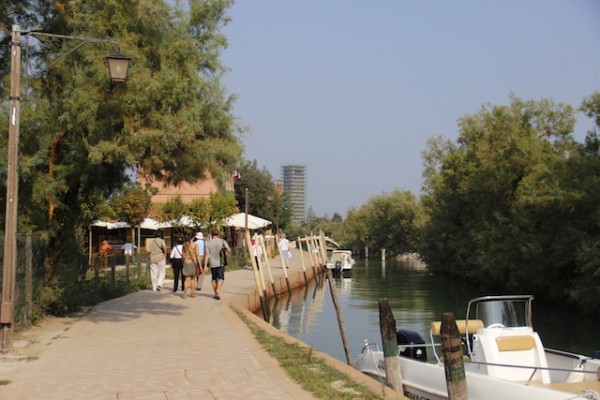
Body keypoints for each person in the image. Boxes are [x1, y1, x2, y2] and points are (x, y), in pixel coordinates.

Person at [205, 229, 230, 300]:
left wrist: (205, 266)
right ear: (218, 234)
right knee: (221, 278)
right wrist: (226, 254)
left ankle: (216, 294)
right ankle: (218, 290)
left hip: (212, 263)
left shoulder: (208, 243)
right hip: (220, 262)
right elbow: (229, 250)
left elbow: (207, 255)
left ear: (211, 235)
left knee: (213, 278)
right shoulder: (222, 241)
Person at [181, 232, 201, 298]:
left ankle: (185, 293)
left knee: (187, 279)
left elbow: (183, 255)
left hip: (186, 262)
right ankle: (192, 293)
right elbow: (197, 255)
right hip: (193, 263)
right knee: (193, 279)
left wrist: (183, 263)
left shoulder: (184, 244)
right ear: (193, 237)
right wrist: (200, 265)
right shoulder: (195, 245)